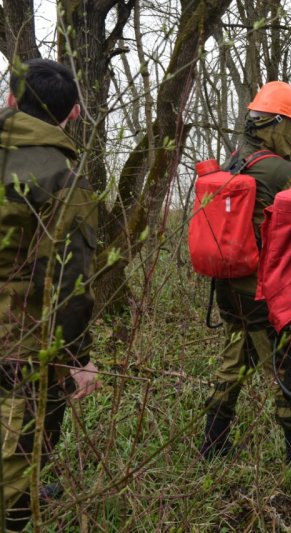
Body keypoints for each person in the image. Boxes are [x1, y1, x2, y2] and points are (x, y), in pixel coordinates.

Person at [0, 58, 101, 531]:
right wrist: (77, 357)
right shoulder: (64, 178)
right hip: (18, 341)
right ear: (74, 114)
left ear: (10, 101)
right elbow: (70, 282)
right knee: (16, 456)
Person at [200, 81, 291, 462]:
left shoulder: (234, 159)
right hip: (260, 297)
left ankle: (211, 446)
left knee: (232, 364)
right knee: (284, 374)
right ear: (275, 124)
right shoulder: (279, 170)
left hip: (228, 290)